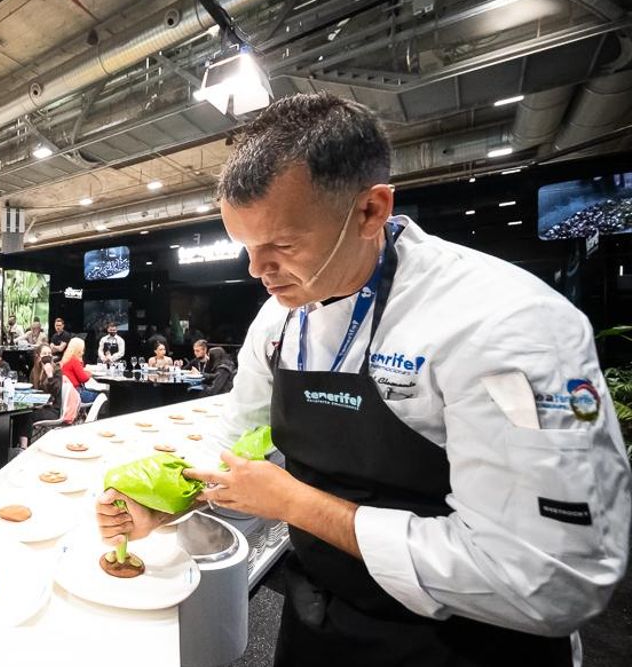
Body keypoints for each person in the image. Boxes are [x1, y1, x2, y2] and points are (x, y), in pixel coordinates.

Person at [96, 93, 630, 666]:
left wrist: (300, 505)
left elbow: (551, 579)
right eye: (247, 248)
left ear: (371, 210)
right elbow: (230, 455)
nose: (257, 271)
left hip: (467, 645)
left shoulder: (502, 322)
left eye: (281, 245)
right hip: (318, 623)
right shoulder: (279, 318)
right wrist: (166, 505)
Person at [60, 336, 98, 404]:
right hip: (77, 393)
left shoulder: (65, 358)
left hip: (68, 393)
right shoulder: (74, 360)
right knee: (101, 396)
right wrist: (89, 373)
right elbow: (83, 378)